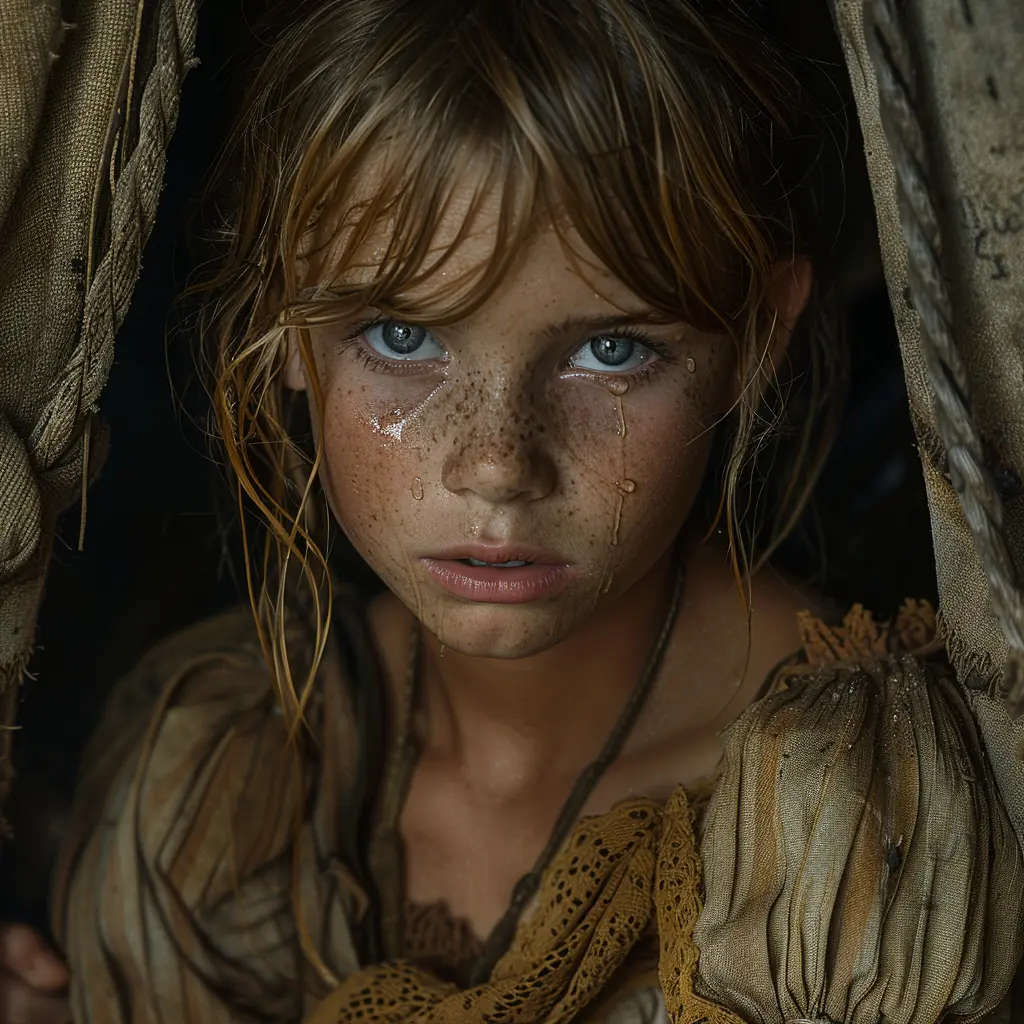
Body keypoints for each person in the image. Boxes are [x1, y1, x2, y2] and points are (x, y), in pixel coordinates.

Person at [5, 0, 1024, 1021]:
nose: (497, 466)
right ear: (285, 328)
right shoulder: (219, 771)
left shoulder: (856, 829)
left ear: (757, 339)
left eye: (612, 350)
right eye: (403, 336)